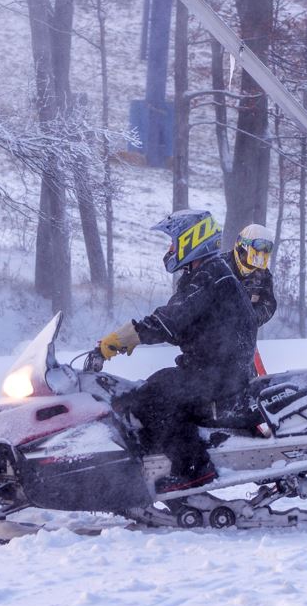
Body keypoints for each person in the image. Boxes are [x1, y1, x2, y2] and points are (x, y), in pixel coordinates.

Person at [96, 210, 255, 492]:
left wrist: (121, 339)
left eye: (173, 243)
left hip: (220, 375)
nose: (170, 250)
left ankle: (192, 470)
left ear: (191, 240)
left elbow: (171, 319)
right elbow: (182, 327)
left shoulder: (211, 275)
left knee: (154, 401)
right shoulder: (206, 274)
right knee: (149, 387)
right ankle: (153, 464)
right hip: (213, 369)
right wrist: (133, 337)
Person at [225, 224, 277, 377]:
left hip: (245, 340)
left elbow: (269, 304)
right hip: (215, 339)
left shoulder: (263, 275)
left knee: (251, 381)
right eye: (259, 248)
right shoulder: (219, 267)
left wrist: (250, 319)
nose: (261, 254)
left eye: (266, 250)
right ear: (244, 246)